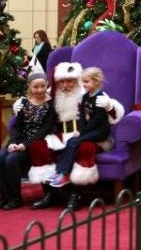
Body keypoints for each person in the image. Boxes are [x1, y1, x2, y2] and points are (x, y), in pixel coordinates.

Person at [45, 65, 123, 210]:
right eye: (61, 82)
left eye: (70, 81)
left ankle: (75, 194)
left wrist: (82, 131)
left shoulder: (98, 97)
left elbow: (104, 117)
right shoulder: (58, 96)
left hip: (96, 132)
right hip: (68, 132)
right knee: (44, 147)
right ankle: (52, 192)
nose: (65, 85)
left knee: (81, 147)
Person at [0, 73, 57, 210]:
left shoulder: (51, 104)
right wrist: (12, 143)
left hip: (36, 142)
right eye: (35, 87)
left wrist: (25, 145)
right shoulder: (23, 103)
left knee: (11, 160)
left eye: (42, 86)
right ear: (29, 87)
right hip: (19, 140)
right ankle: (4, 197)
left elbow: (45, 129)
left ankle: (16, 198)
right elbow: (16, 126)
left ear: (47, 86)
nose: (39, 90)